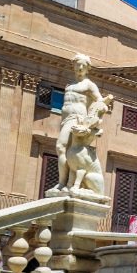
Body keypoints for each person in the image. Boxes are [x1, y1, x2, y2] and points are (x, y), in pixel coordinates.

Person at [54, 53, 113, 196]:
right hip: (66, 118)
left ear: (88, 69)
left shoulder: (89, 85)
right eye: (78, 64)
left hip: (77, 118)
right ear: (73, 66)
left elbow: (100, 102)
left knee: (60, 146)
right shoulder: (70, 85)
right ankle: (65, 182)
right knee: (65, 149)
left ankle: (63, 183)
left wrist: (97, 113)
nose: (80, 68)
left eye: (83, 66)